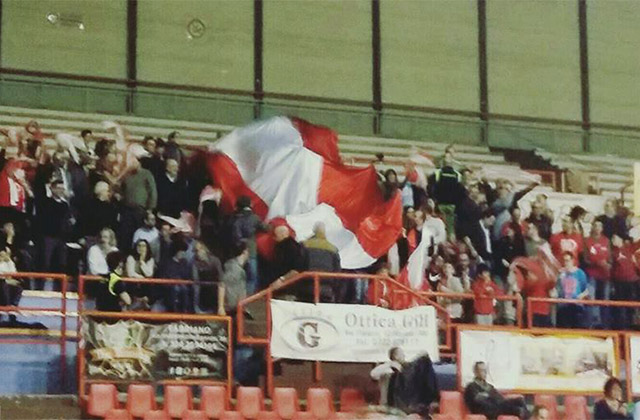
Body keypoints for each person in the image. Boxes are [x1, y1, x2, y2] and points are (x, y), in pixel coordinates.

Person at [464, 361, 529, 419]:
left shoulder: (489, 386)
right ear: (475, 372)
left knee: (520, 400)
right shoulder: (471, 386)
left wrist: (496, 399)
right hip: (485, 410)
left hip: (497, 406)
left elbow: (499, 398)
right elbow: (477, 401)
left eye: (485, 370)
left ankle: (529, 417)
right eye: (482, 370)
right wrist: (490, 397)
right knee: (518, 410)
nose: (485, 373)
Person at [230, 196, 267, 295]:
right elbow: (266, 228)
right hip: (251, 251)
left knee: (239, 275)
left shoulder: (234, 218)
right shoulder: (254, 218)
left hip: (237, 251)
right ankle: (249, 298)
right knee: (252, 276)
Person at [584, 220, 612, 328]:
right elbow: (585, 259)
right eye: (595, 225)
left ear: (602, 228)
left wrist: (608, 264)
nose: (597, 228)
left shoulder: (606, 240)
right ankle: (591, 324)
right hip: (592, 274)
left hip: (605, 275)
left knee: (605, 300)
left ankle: (605, 325)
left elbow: (610, 258)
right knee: (591, 299)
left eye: (599, 226)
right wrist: (597, 262)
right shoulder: (587, 240)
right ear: (592, 227)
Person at [304, 222, 342, 302]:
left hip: (306, 287)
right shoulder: (333, 249)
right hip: (326, 289)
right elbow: (337, 272)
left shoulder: (305, 245)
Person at [159, 236, 192, 313]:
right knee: (176, 288)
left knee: (184, 289)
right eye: (181, 251)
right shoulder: (167, 263)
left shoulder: (184, 263)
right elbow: (165, 277)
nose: (183, 254)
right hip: (170, 288)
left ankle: (185, 311)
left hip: (183, 286)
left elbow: (187, 276)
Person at [556, 251, 589, 329]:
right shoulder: (560, 274)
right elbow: (557, 290)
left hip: (576, 305)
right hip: (563, 305)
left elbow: (586, 290)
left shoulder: (580, 273)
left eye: (567, 260)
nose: (566, 263)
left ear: (572, 261)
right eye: (564, 261)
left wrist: (580, 296)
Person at [611, 235, 637, 330]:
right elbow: (612, 268)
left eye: (615, 238)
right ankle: (622, 325)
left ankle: (632, 323)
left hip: (631, 281)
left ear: (620, 239)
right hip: (619, 282)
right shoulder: (613, 252)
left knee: (631, 303)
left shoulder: (629, 249)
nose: (613, 240)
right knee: (620, 304)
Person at [192, 240, 223, 314]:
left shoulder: (215, 260)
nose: (197, 253)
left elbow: (221, 277)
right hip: (202, 285)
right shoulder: (195, 262)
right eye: (195, 251)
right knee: (196, 288)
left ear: (204, 249)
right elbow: (195, 278)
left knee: (222, 286)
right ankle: (197, 309)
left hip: (214, 285)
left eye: (198, 250)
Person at [220, 241, 250, 316]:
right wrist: (221, 307)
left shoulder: (238, 268)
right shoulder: (234, 268)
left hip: (237, 308)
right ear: (245, 252)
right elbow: (222, 285)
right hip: (232, 309)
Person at [125, 239, 154, 309]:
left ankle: (145, 303)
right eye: (139, 246)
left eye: (144, 246)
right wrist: (141, 277)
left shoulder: (150, 259)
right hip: (132, 284)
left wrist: (142, 262)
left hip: (145, 285)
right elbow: (130, 273)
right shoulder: (131, 258)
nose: (141, 248)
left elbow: (149, 274)